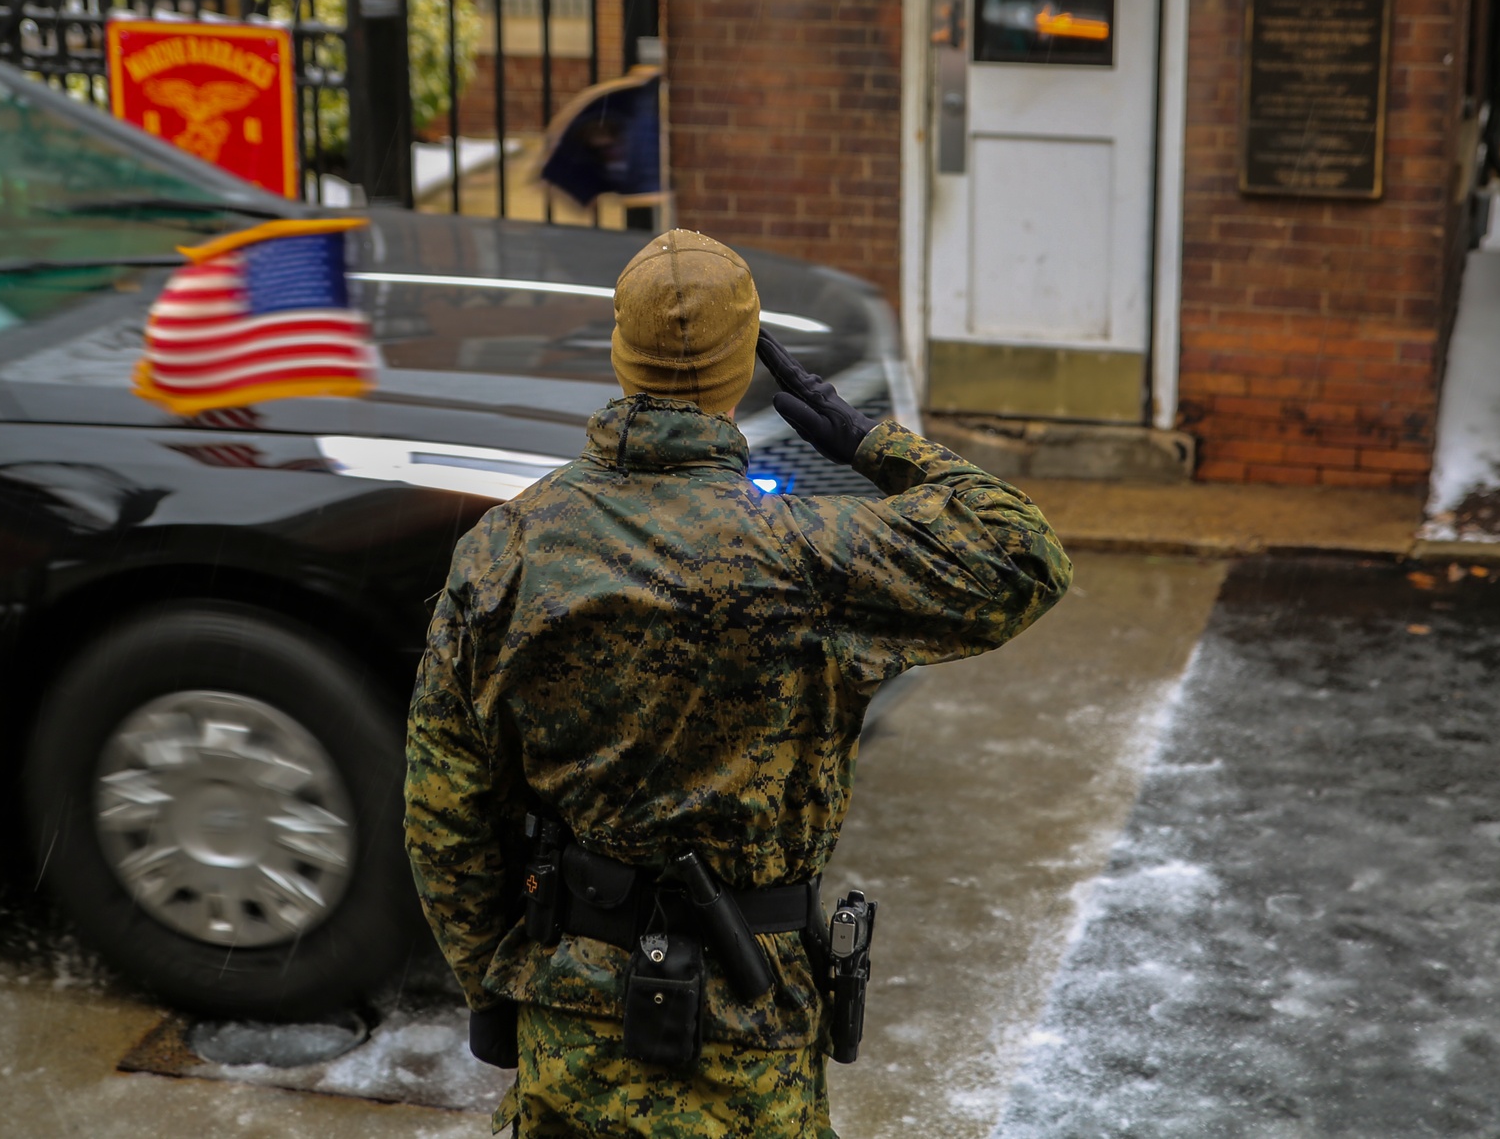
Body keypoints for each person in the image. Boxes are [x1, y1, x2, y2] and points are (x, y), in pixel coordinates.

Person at [404, 228, 1072, 1136]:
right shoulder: (809, 556)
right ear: (741, 368)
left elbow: (443, 812)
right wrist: (873, 442)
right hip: (754, 1037)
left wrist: (501, 978)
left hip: (574, 1020)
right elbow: (1024, 555)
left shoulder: (507, 551)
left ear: (619, 351)